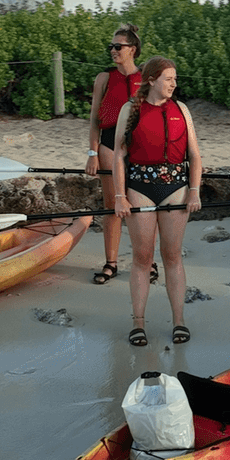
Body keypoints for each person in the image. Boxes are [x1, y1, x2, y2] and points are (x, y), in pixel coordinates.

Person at [112, 56, 204, 347]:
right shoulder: (130, 109)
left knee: (172, 256)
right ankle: (138, 324)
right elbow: (118, 156)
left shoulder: (181, 109)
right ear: (151, 80)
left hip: (176, 188)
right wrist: (119, 196)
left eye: (175, 79)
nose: (173, 84)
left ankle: (179, 321)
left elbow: (195, 155)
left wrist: (194, 191)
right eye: (168, 79)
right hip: (140, 187)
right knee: (142, 258)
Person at [84, 24, 144, 287]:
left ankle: (146, 261)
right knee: (113, 205)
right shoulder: (104, 78)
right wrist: (92, 152)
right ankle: (111, 263)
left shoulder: (147, 77)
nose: (112, 50)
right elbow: (94, 118)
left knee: (139, 206)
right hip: (109, 144)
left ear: (132, 49)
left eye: (118, 46)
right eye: (111, 46)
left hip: (140, 146)